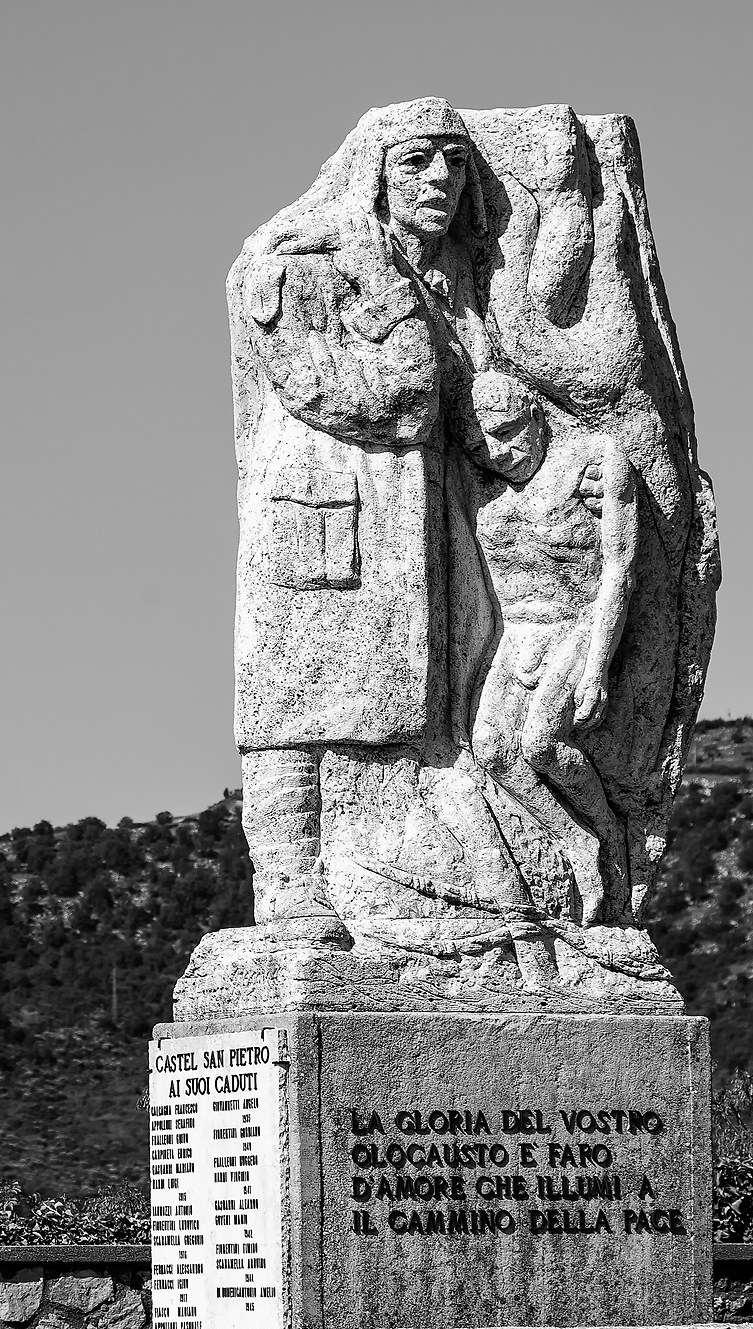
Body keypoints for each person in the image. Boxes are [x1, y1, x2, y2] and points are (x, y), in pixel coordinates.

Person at [227, 98, 503, 950]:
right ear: (373, 172)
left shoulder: (453, 286)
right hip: (316, 509)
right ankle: (291, 892)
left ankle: (374, 884)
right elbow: (335, 387)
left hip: (409, 525)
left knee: (390, 706)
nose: (440, 180)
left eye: (456, 163)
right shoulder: (305, 262)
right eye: (418, 159)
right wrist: (418, 377)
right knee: (294, 706)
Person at [462, 371, 638, 924]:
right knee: (491, 750)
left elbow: (620, 569)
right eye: (485, 443)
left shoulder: (600, 462)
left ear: (537, 415)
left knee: (540, 743)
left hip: (576, 624)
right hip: (516, 633)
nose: (501, 453)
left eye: (510, 434)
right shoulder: (481, 485)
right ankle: (575, 843)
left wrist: (598, 668)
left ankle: (609, 836)